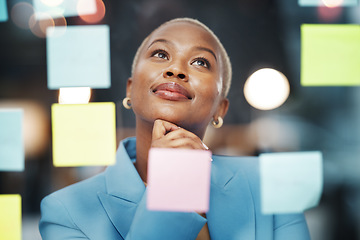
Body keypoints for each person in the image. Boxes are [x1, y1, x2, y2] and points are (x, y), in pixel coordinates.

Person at [39, 18, 311, 240]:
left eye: (200, 62)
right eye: (160, 54)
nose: (176, 69)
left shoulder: (270, 186)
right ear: (130, 90)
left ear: (220, 108)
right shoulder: (66, 212)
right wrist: (173, 187)